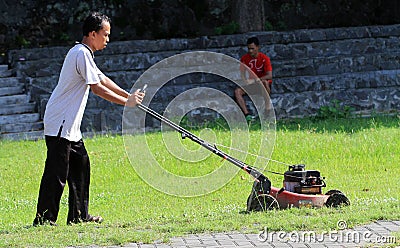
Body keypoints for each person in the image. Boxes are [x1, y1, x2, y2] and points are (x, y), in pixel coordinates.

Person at [33, 12, 144, 226]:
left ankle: (79, 216)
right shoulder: (80, 53)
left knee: (81, 167)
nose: (107, 39)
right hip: (60, 122)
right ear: (93, 34)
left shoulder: (85, 54)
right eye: (105, 34)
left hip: (71, 127)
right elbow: (97, 88)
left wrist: (128, 96)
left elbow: (102, 78)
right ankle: (44, 220)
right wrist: (126, 103)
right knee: (57, 174)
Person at [234, 37, 273, 121]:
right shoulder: (244, 58)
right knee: (237, 92)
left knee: (265, 82)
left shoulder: (264, 58)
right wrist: (246, 81)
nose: (250, 51)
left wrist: (256, 80)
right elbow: (242, 74)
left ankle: (267, 110)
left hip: (262, 84)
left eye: (252, 48)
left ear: (258, 47)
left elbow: (269, 76)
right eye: (249, 49)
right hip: (252, 84)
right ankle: (247, 115)